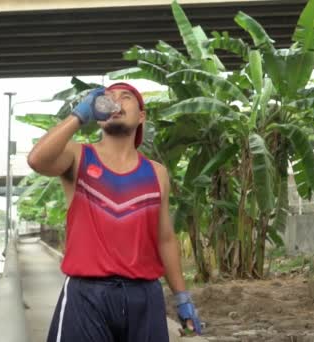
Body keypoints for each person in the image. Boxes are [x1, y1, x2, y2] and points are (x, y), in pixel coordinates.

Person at [27, 82, 201, 342]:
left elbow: (165, 239)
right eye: (108, 98)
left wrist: (182, 298)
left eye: (126, 97)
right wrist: (78, 115)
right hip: (86, 296)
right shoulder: (77, 156)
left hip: (145, 297)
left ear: (141, 116)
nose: (116, 102)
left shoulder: (156, 173)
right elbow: (37, 159)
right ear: (98, 115)